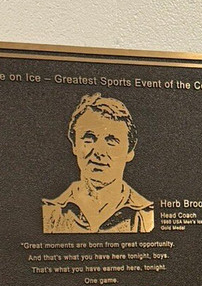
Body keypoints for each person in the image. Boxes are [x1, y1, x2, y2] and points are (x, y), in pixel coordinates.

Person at [42, 92, 155, 233]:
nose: (99, 151)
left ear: (129, 152)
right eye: (89, 139)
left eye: (111, 140)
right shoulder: (49, 214)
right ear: (75, 146)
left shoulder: (147, 217)